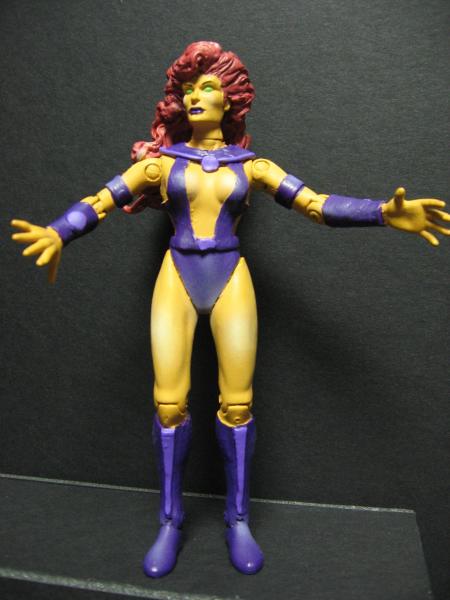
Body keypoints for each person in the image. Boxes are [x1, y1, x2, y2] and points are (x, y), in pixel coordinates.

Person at [11, 41, 450, 578]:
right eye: (187, 90)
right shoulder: (160, 165)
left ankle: (237, 518)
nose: (194, 97)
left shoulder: (254, 167)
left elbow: (315, 204)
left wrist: (381, 212)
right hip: (176, 276)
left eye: (207, 87)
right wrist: (58, 232)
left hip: (230, 278)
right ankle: (170, 521)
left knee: (238, 406)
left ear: (230, 100)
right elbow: (102, 200)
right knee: (169, 405)